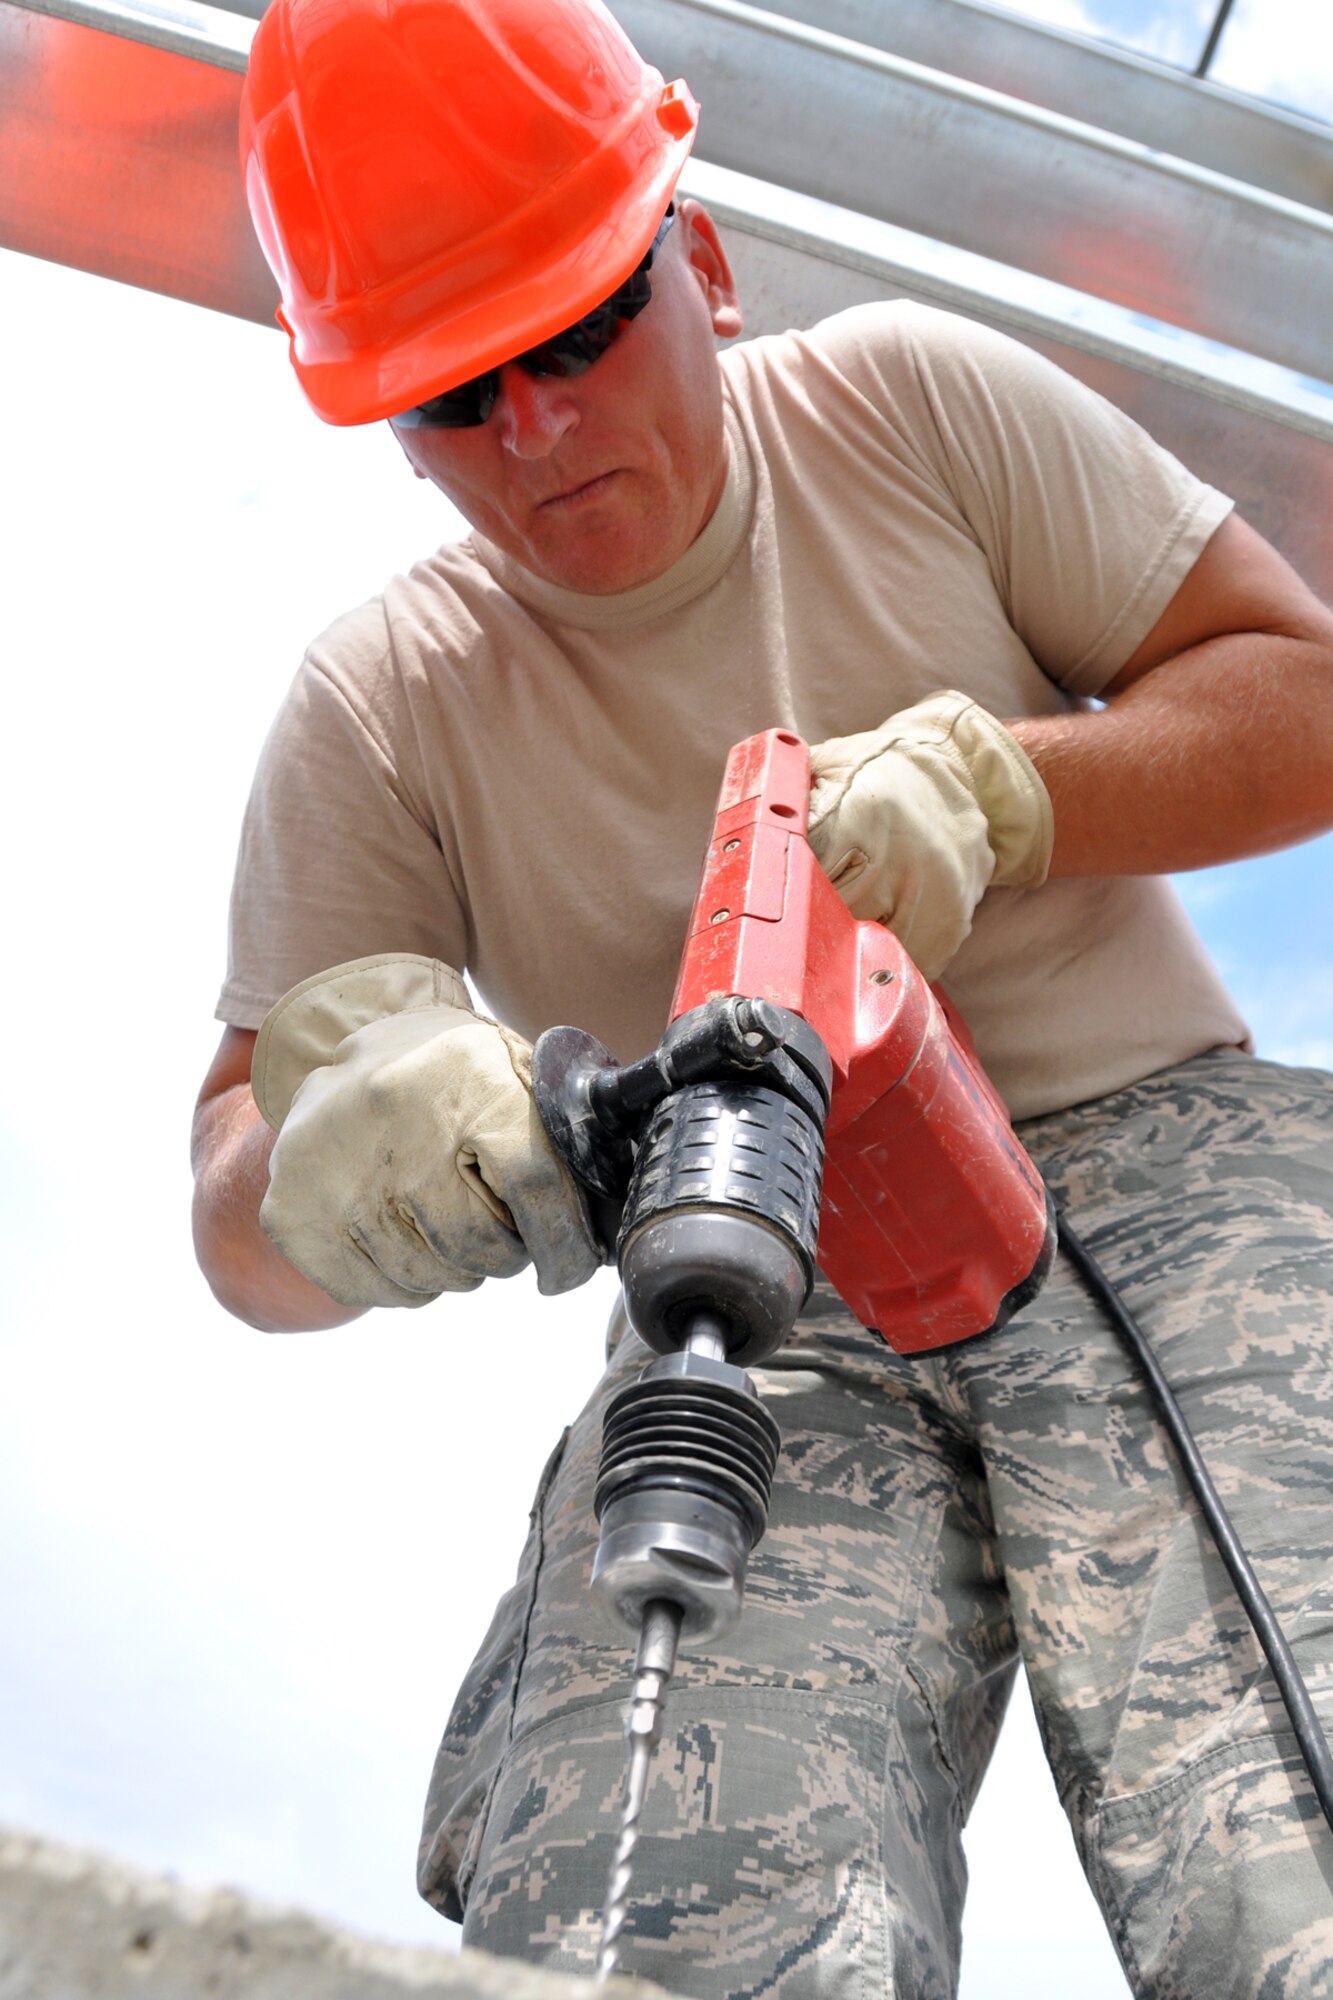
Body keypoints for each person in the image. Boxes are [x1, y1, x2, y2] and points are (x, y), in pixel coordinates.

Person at [192, 0, 1333, 1990]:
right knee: (672, 1885)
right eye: (459, 393)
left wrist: (1010, 786)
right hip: (750, 1281)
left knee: (1292, 1779)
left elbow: (1303, 697)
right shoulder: (384, 713)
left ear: (696, 260)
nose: (535, 428)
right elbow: (235, 1202)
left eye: (575, 330)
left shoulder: (910, 409)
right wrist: (339, 1150)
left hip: (1159, 1177)